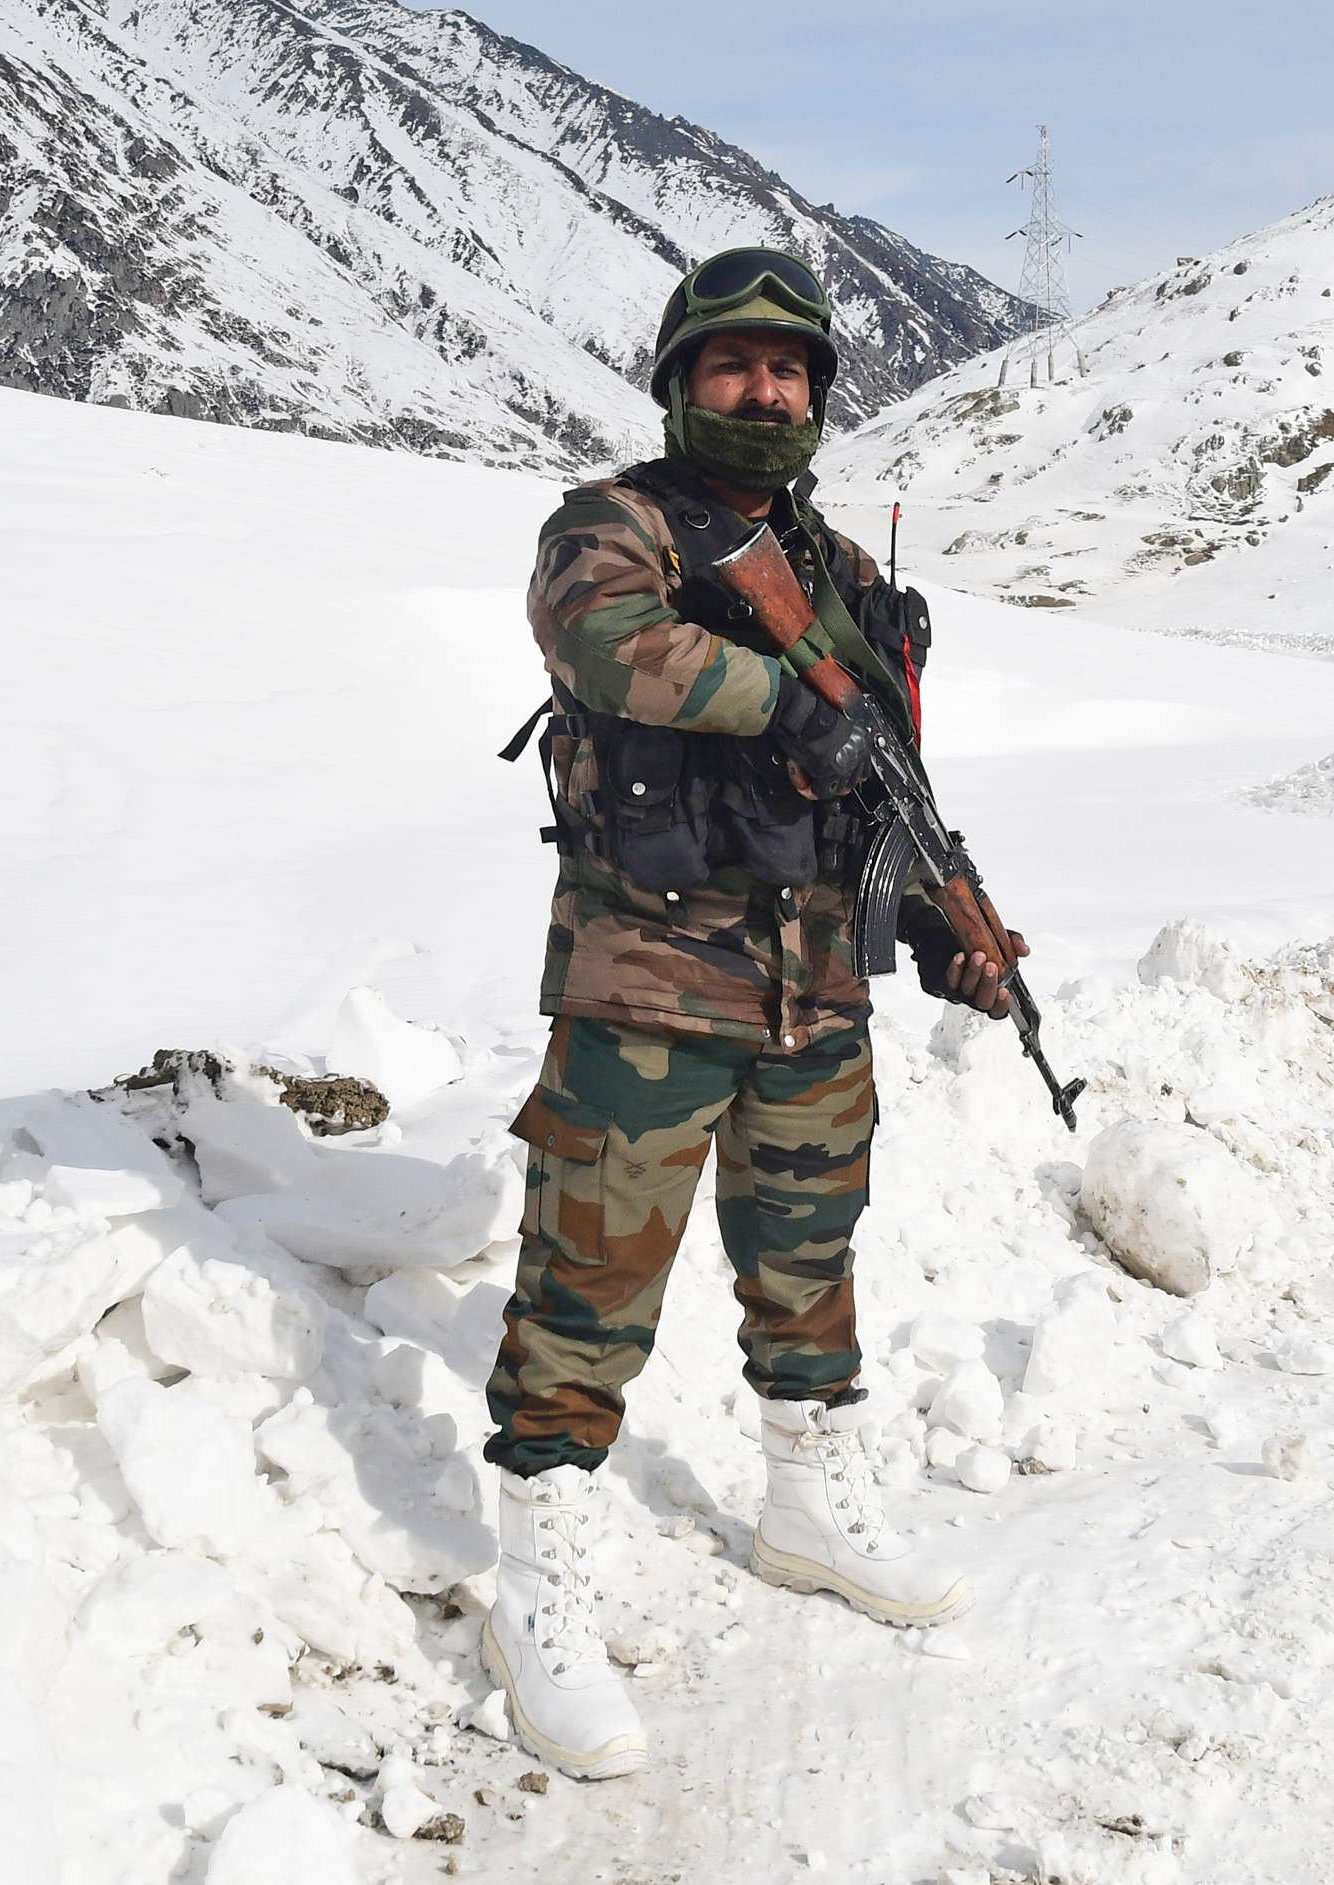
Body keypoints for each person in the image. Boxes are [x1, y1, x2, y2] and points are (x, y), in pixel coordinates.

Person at [480, 247, 1014, 1780]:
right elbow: (602, 642)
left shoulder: (843, 578)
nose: (763, 390)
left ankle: (807, 1501)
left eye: (790, 370)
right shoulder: (615, 526)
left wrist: (947, 923)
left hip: (815, 995)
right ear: (679, 381)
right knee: (585, 1290)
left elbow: (887, 794)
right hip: (646, 983)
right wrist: (785, 705)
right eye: (733, 365)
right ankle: (540, 1584)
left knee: (809, 1262)